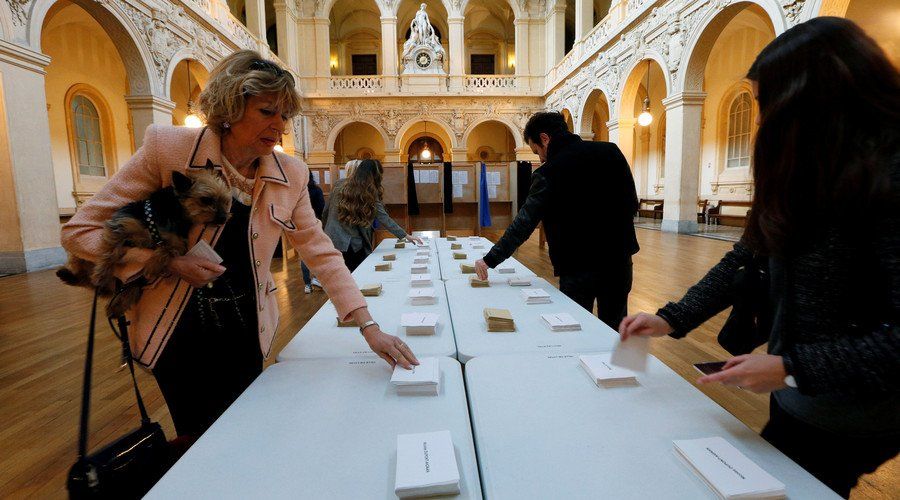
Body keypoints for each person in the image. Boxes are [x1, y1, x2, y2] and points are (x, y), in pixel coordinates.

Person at [60, 51, 418, 440]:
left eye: (285, 116)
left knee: (246, 430)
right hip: (178, 330)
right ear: (230, 107)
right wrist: (166, 263)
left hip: (248, 327)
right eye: (267, 112)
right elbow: (79, 232)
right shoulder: (170, 149)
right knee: (201, 435)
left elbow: (320, 250)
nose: (279, 126)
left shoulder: (291, 173)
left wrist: (368, 325)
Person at [618, 18, 899, 498]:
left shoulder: (887, 179)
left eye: (767, 105)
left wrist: (791, 367)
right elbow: (744, 259)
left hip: (855, 408)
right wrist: (669, 318)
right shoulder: (806, 171)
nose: (763, 122)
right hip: (799, 392)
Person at [475, 111, 639, 329]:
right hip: (618, 261)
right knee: (615, 329)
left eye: (537, 151)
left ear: (545, 138)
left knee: (576, 327)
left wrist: (489, 260)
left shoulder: (549, 172)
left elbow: (524, 223)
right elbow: (631, 203)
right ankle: (614, 364)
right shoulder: (611, 152)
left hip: (577, 266)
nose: (540, 158)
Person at [323, 159, 422, 271]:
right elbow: (384, 218)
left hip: (332, 239)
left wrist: (324, 233)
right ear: (375, 174)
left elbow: (326, 211)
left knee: (337, 276)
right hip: (352, 244)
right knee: (357, 275)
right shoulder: (368, 191)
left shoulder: (338, 184)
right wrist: (406, 236)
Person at [302, 170, 325, 293]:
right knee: (318, 252)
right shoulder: (316, 190)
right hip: (315, 224)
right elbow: (322, 208)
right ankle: (316, 278)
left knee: (304, 255)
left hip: (300, 226)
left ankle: (307, 285)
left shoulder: (298, 190)